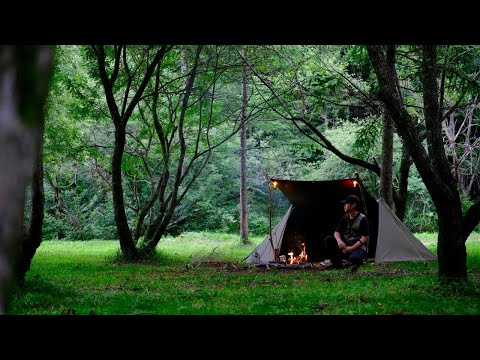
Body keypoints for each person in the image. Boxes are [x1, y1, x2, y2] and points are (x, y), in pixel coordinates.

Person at [323, 194, 369, 269]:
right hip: (346, 246)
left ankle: (356, 261)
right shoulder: (345, 218)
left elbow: (364, 238)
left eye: (346, 203)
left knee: (354, 259)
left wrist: (352, 248)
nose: (344, 205)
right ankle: (337, 265)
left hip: (358, 247)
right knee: (329, 239)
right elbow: (336, 232)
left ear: (353, 205)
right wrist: (339, 241)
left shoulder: (363, 219)